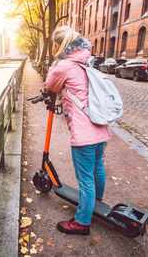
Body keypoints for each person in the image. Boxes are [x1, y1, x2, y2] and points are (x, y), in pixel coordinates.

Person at [44, 26, 112, 235]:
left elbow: (50, 85)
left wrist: (54, 64)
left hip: (84, 134)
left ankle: (82, 222)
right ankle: (96, 201)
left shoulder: (63, 65)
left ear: (58, 45)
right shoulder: (86, 60)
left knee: (85, 179)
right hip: (101, 127)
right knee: (97, 167)